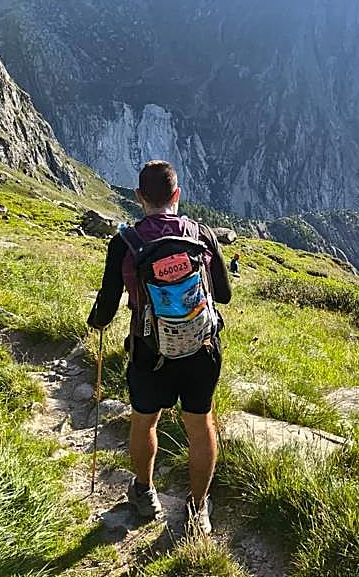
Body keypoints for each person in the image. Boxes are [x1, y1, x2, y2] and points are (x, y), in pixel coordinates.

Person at [87, 160, 232, 535]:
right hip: (201, 348)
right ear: (177, 195)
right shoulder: (202, 234)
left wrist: (97, 321)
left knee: (144, 420)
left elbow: (107, 305)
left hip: (150, 352)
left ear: (139, 197)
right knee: (200, 425)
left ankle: (145, 492)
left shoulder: (124, 243)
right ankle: (198, 508)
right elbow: (224, 295)